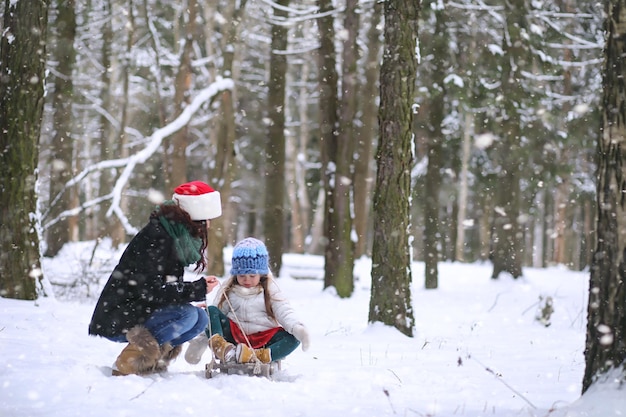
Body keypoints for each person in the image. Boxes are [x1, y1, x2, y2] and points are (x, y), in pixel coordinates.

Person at [88, 180, 222, 376]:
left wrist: (188, 295)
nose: (208, 225)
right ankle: (129, 362)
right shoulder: (158, 237)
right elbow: (152, 290)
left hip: (140, 309)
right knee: (188, 315)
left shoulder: (174, 234)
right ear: (194, 217)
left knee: (200, 318)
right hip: (120, 316)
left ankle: (152, 361)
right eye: (206, 219)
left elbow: (165, 285)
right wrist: (195, 290)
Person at [185, 237, 310, 366]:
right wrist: (200, 341)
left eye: (252, 276)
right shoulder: (229, 290)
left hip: (263, 339)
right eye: (241, 275)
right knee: (210, 311)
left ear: (261, 274)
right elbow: (213, 319)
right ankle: (221, 347)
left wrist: (296, 328)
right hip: (234, 339)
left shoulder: (270, 290)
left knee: (292, 338)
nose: (247, 280)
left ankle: (258, 356)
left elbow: (283, 310)